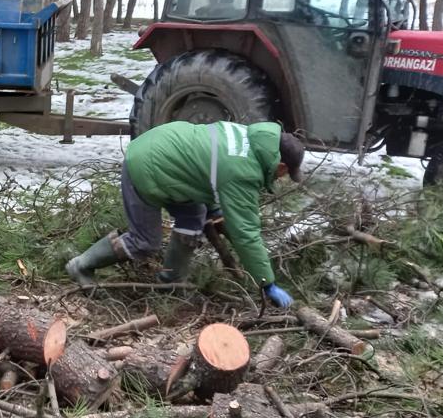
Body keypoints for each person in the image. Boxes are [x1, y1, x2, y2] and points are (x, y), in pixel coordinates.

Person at [66, 120, 303, 308]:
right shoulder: (243, 170)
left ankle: (170, 284)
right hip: (147, 166)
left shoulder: (251, 138)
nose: (281, 179)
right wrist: (268, 284)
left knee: (193, 217)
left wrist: (217, 213)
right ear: (281, 167)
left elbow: (206, 166)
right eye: (285, 175)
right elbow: (246, 234)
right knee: (145, 242)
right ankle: (81, 266)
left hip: (162, 148)